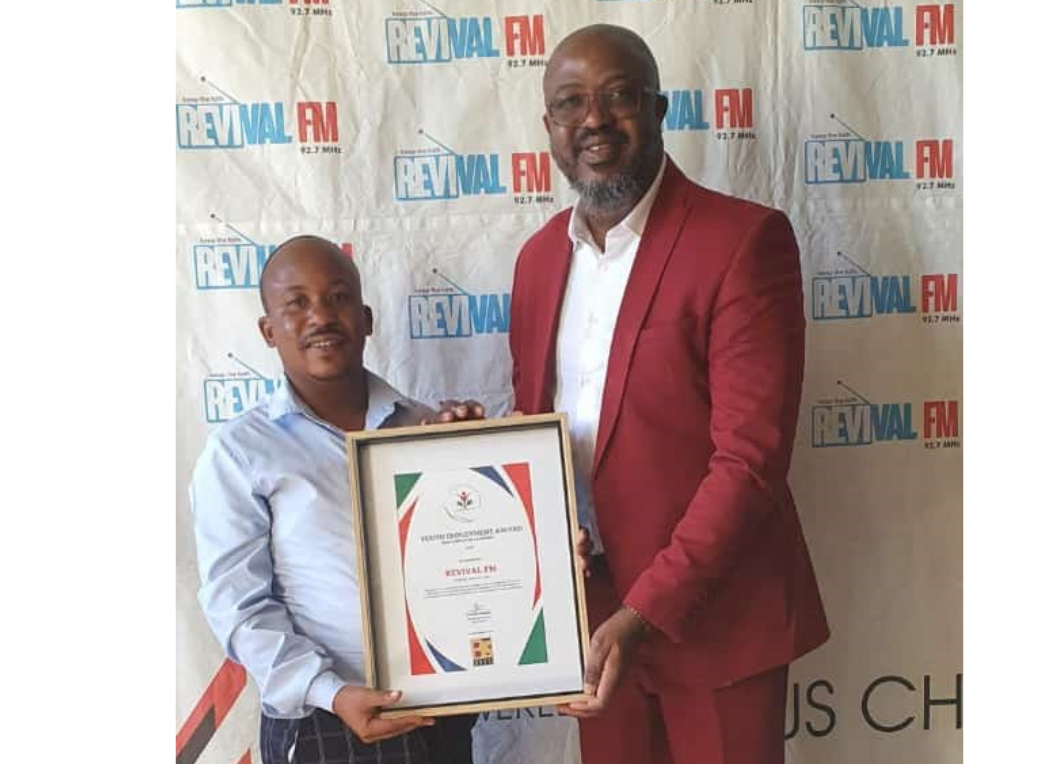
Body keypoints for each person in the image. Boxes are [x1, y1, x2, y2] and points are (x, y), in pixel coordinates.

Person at [507, 24, 830, 764]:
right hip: (593, 623)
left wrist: (645, 611)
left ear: (658, 109)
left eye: (618, 96)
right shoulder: (536, 261)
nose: (594, 119)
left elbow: (749, 462)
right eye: (570, 103)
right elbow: (545, 433)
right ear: (549, 126)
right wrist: (471, 448)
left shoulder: (742, 241)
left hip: (717, 619)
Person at [189, 235, 481, 764]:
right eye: (296, 303)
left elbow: (470, 553)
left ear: (366, 319)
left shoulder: (426, 428)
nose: (321, 316)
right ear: (268, 330)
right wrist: (330, 691)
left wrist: (483, 457)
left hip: (437, 708)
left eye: (339, 297)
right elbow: (240, 608)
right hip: (323, 720)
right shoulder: (240, 452)